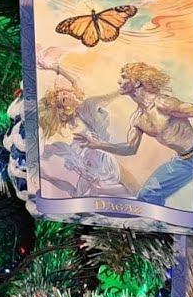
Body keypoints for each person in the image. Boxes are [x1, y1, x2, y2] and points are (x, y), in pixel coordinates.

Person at [78, 61, 193, 205]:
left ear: (136, 82)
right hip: (184, 161)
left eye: (124, 77)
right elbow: (130, 148)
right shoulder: (137, 119)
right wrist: (97, 144)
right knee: (147, 195)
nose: (119, 81)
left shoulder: (163, 103)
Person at [34, 52, 127, 197]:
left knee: (86, 192)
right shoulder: (78, 113)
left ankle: (48, 177)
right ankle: (46, 177)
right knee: (80, 193)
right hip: (91, 154)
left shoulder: (87, 104)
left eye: (64, 93)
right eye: (63, 99)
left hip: (98, 154)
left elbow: (76, 80)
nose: (66, 95)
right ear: (65, 107)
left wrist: (54, 67)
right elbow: (110, 96)